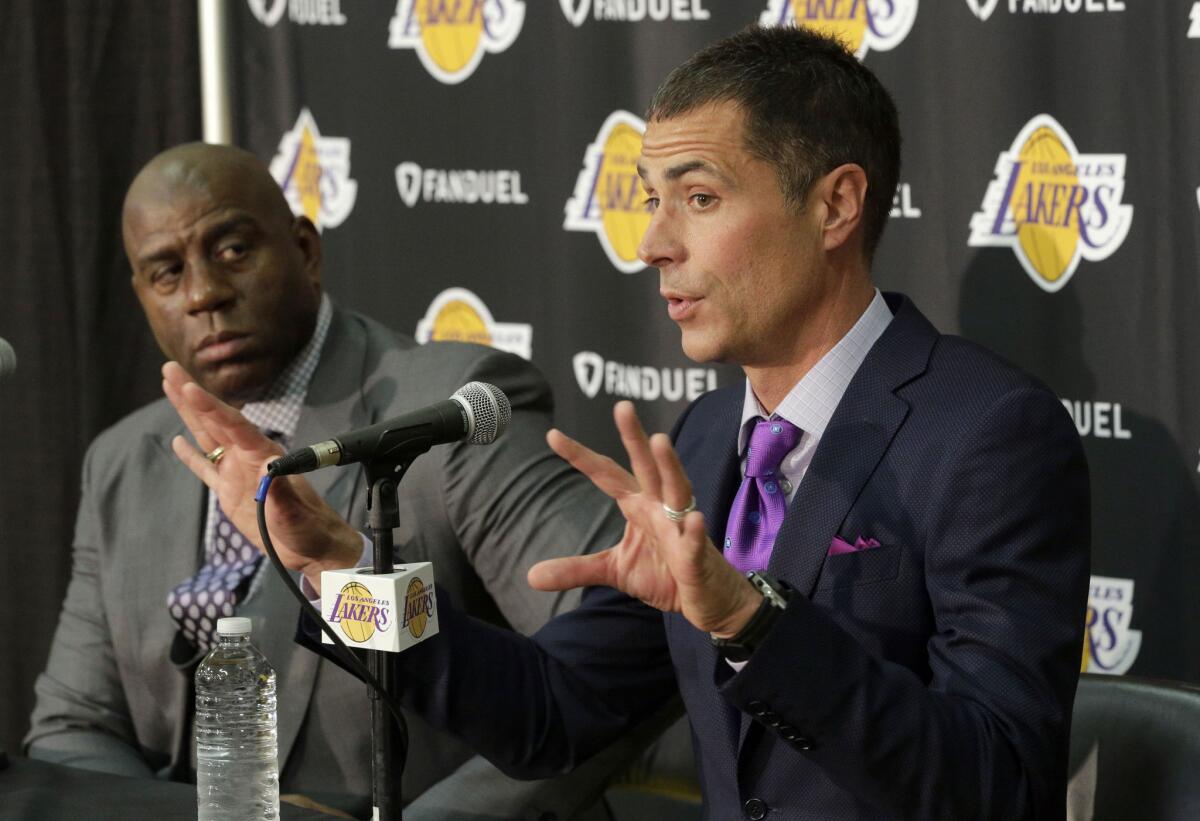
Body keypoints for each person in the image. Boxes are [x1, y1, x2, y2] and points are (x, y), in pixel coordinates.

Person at [163, 26, 1090, 820]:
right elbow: (552, 710)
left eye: (699, 197)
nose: (652, 243)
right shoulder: (705, 435)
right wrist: (340, 574)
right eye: (652, 200)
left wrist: (747, 620)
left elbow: (999, 781)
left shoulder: (986, 433)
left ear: (836, 204)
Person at [24, 142, 644, 819]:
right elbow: (74, 725)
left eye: (232, 249)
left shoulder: (451, 410)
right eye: (166, 272)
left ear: (305, 250)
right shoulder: (122, 461)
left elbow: (615, 664)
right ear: (142, 296)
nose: (204, 293)